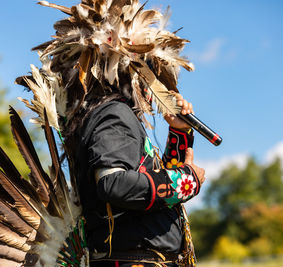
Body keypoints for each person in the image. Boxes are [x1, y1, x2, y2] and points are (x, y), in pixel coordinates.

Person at [70, 92, 206, 267]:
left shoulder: (118, 114)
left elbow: (160, 199)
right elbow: (114, 184)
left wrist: (179, 132)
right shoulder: (115, 112)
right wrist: (187, 180)